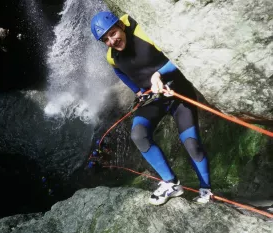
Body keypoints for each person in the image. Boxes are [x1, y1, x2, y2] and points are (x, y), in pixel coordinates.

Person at [90, 11, 212, 205]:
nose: (112, 41)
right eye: (105, 39)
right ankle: (171, 183)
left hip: (178, 93)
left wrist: (159, 74)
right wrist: (138, 91)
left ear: (121, 26)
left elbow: (180, 57)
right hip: (153, 98)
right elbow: (119, 72)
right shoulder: (112, 57)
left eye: (113, 33)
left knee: (192, 143)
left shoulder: (144, 33)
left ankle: (206, 190)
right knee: (138, 134)